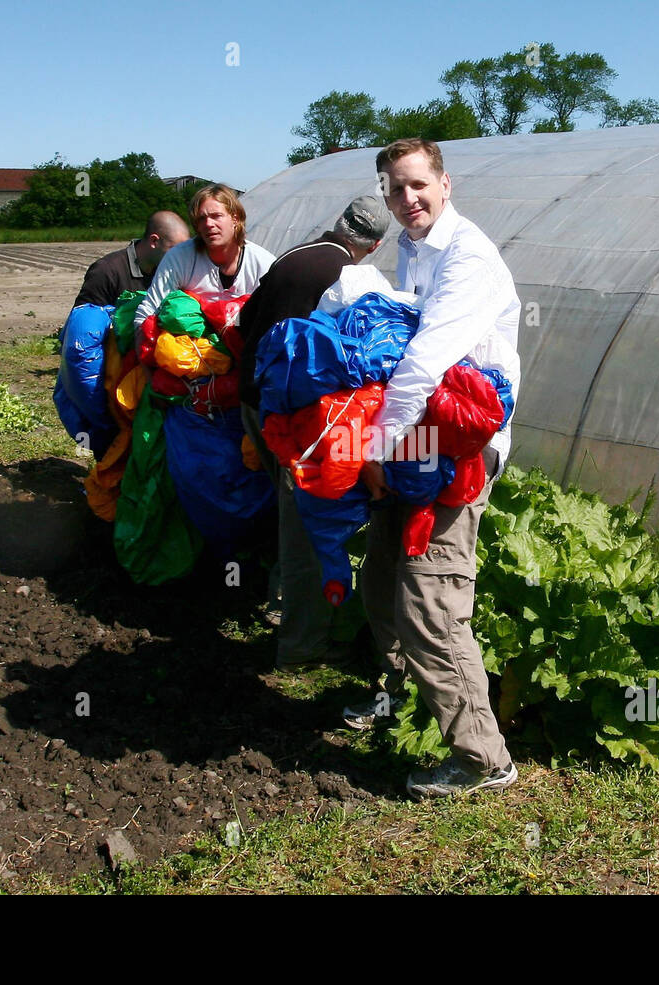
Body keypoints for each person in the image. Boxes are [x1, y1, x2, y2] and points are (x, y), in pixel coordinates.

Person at [350, 138, 522, 800]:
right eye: (394, 189)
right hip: (416, 437)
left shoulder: (467, 256)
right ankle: (394, 694)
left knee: (432, 602)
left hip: (456, 452)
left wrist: (373, 450)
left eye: (418, 184)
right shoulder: (413, 248)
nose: (406, 199)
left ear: (446, 184)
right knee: (383, 574)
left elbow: (423, 360)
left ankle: (484, 758)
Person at [238, 195, 392, 669]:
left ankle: (280, 603)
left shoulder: (292, 256)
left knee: (287, 514)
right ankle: (302, 647)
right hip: (300, 423)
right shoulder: (349, 279)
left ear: (338, 221)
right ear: (377, 243)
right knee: (305, 527)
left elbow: (246, 320)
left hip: (257, 405)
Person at [134, 186, 273, 329]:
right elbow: (148, 313)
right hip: (189, 345)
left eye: (216, 216)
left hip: (245, 344)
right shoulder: (179, 257)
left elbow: (277, 317)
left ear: (235, 219)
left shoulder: (263, 263)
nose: (208, 224)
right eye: (201, 218)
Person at [73, 210, 191, 308]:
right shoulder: (106, 271)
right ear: (154, 241)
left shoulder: (171, 272)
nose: (180, 258)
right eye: (175, 250)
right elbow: (83, 323)